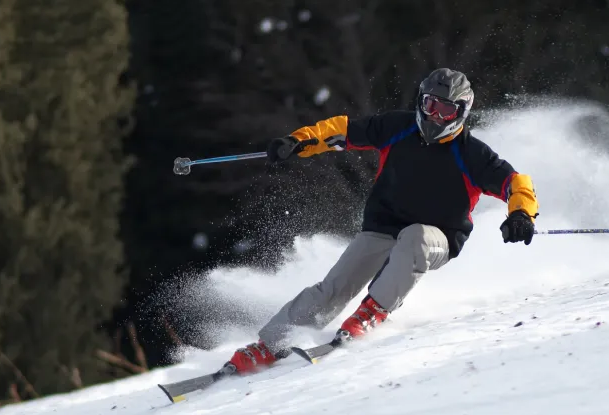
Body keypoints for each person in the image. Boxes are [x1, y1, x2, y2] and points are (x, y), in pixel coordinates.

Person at [227, 68, 539, 373]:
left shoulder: (472, 154)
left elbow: (515, 183)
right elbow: (342, 130)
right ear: (420, 102)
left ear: (461, 112)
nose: (435, 117)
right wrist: (297, 141)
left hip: (436, 239)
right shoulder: (397, 127)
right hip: (383, 227)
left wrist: (521, 214)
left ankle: (372, 311)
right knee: (333, 288)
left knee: (415, 238)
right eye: (430, 105)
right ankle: (270, 344)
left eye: (446, 110)